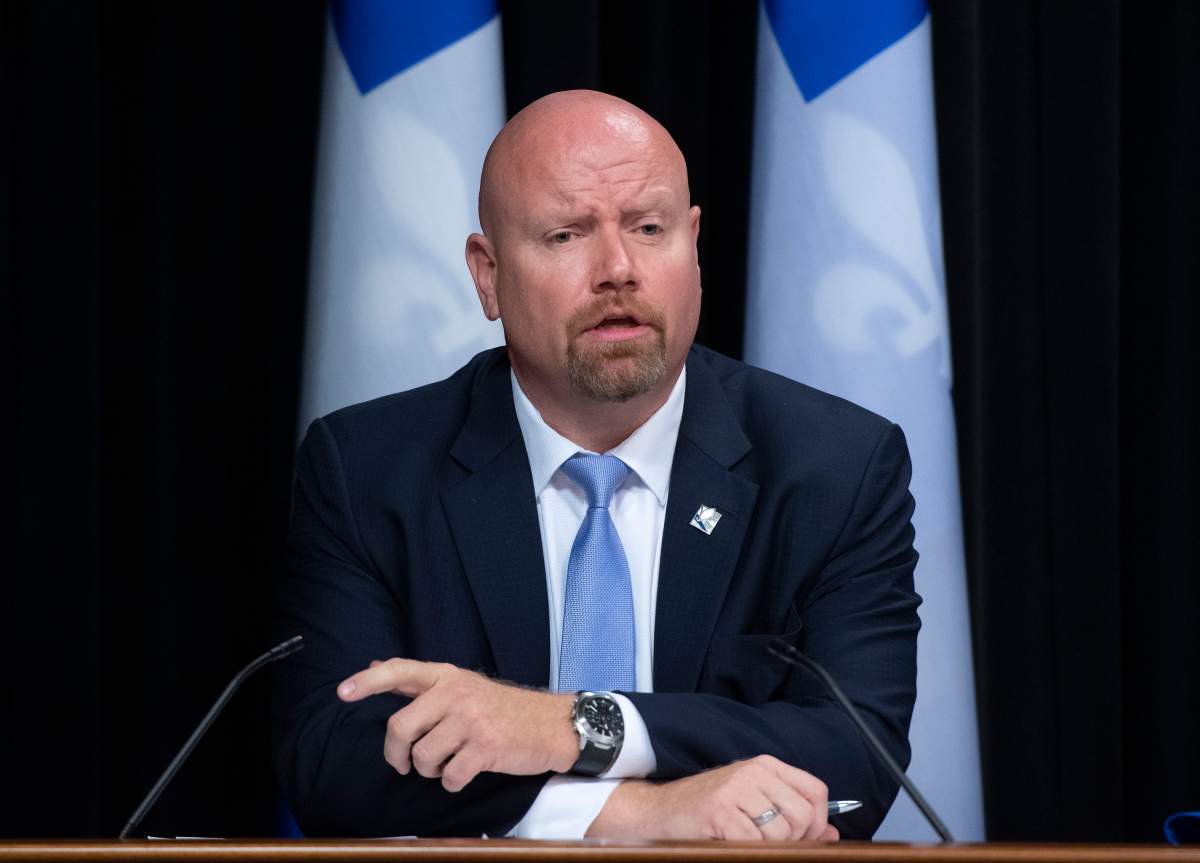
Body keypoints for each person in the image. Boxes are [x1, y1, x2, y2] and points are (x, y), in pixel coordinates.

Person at [274, 90, 920, 842]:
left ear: (694, 245)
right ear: (488, 275)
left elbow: (855, 758)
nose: (619, 268)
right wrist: (645, 813)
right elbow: (333, 761)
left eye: (650, 228)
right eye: (564, 235)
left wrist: (567, 725)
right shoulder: (369, 469)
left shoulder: (834, 467)